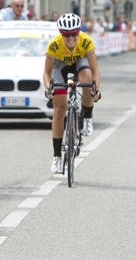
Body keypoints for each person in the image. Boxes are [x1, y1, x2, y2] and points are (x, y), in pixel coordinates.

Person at [43, 13, 101, 174]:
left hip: (79, 62)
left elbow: (95, 70)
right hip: (59, 66)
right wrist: (49, 88)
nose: (71, 39)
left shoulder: (85, 40)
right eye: (66, 35)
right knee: (59, 108)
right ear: (61, 33)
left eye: (74, 34)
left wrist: (96, 89)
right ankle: (57, 156)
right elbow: (46, 73)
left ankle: (87, 116)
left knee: (88, 80)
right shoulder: (54, 45)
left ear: (79, 31)